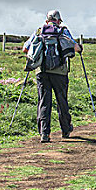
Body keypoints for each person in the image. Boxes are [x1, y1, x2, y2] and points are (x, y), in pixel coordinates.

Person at [23, 10, 82, 143]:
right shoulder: (63, 31)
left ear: (47, 20)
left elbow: (25, 49)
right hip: (60, 73)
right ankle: (66, 130)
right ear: (59, 20)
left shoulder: (39, 31)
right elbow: (76, 47)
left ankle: (44, 133)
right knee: (62, 101)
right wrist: (79, 48)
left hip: (42, 72)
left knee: (44, 102)